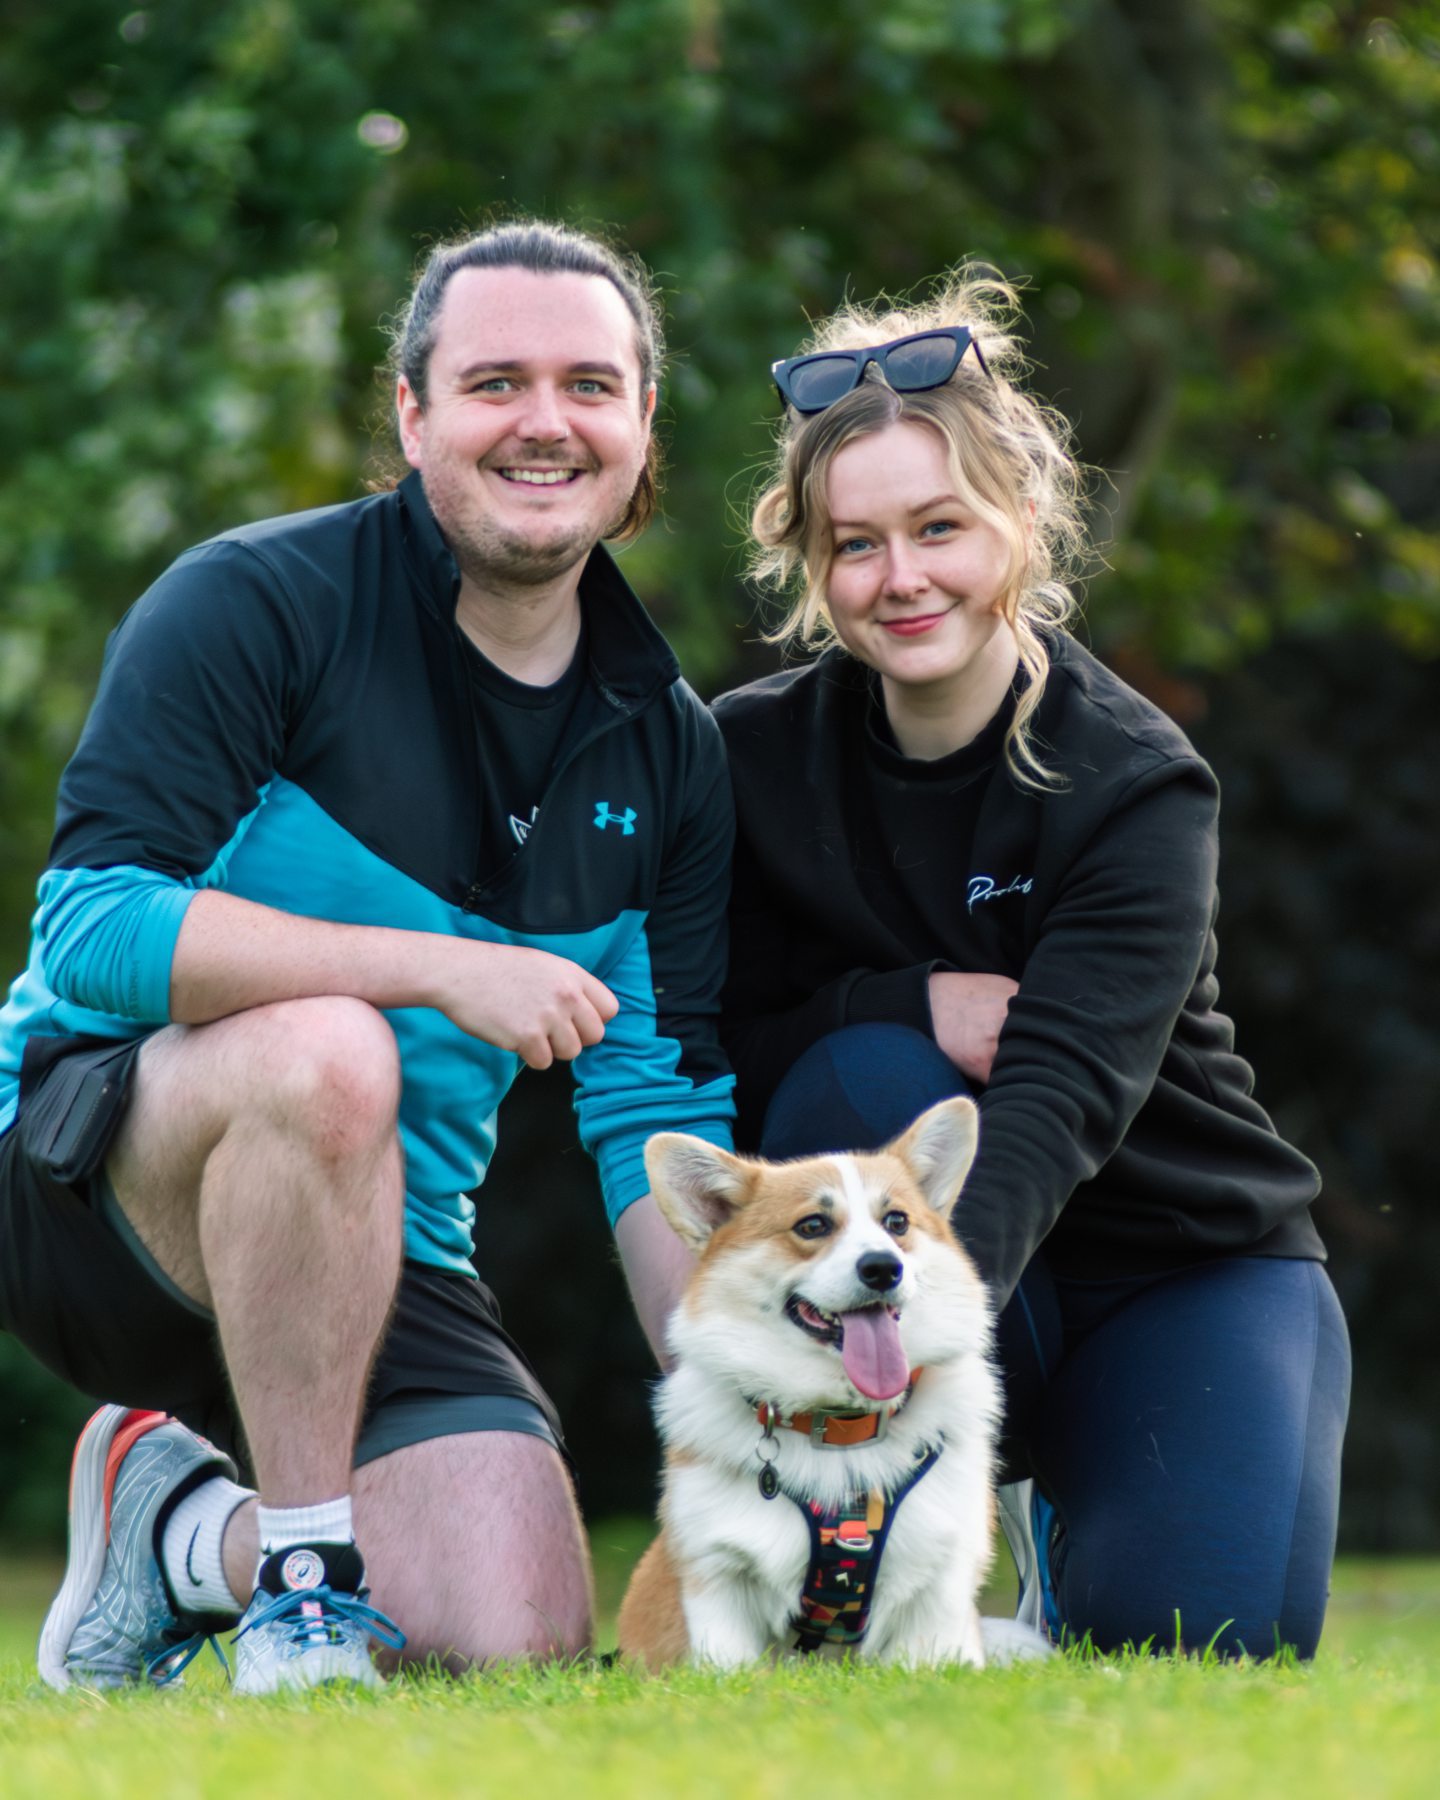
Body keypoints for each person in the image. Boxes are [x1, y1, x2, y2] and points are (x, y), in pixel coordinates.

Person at [0, 220, 730, 1691]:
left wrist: (739, 1411)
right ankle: (306, 1593)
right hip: (91, 1189)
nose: (545, 421)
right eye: (494, 381)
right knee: (338, 1047)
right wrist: (436, 967)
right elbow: (88, 929)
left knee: (510, 1644)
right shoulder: (257, 603)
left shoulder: (671, 750)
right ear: (413, 415)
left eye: (591, 383)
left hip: (387, 1253)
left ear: (644, 424)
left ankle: (186, 1536)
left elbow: (653, 1113)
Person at [711, 268, 1351, 1659]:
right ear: (812, 564)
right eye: (856, 543)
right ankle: (882, 1528)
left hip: (1173, 1263)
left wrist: (941, 1346)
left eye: (940, 527)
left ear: (1020, 520)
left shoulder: (1134, 783)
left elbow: (1056, 1103)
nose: (902, 578)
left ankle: (1048, 1519)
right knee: (868, 1074)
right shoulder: (749, 759)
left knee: (1203, 1644)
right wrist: (900, 1001)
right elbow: (704, 1039)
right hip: (910, 1270)